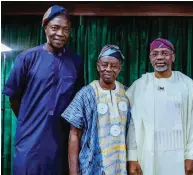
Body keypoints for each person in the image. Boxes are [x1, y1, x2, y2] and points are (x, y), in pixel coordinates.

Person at [2, 5, 83, 175]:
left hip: (59, 143)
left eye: (65, 29)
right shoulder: (27, 58)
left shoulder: (75, 62)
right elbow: (13, 98)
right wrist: (29, 119)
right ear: (45, 27)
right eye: (55, 28)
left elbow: (76, 101)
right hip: (29, 143)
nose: (60, 34)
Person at [126, 38, 193, 175]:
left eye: (164, 53)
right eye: (155, 54)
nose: (160, 57)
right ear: (150, 58)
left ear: (173, 57)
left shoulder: (187, 84)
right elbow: (132, 124)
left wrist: (191, 156)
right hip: (147, 156)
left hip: (179, 157)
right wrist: (132, 157)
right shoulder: (139, 86)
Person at [61, 45, 130, 175]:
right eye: (104, 65)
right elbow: (74, 134)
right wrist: (73, 172)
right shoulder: (86, 94)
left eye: (114, 66)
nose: (108, 69)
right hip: (92, 167)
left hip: (121, 166)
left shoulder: (127, 94)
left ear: (120, 68)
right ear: (98, 66)